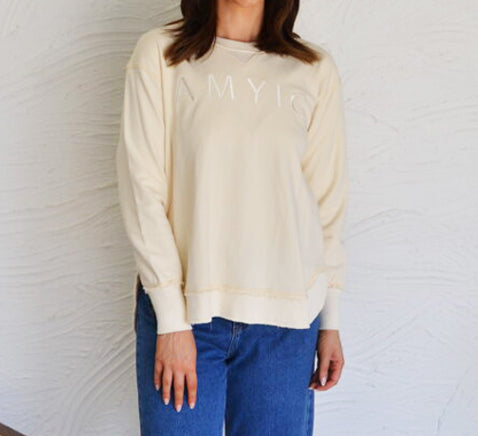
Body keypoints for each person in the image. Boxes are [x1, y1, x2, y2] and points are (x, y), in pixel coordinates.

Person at [116, 0, 349, 434]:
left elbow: (326, 203)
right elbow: (142, 191)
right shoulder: (161, 55)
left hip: (287, 324)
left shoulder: (314, 69)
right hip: (187, 313)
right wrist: (171, 320)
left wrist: (330, 319)